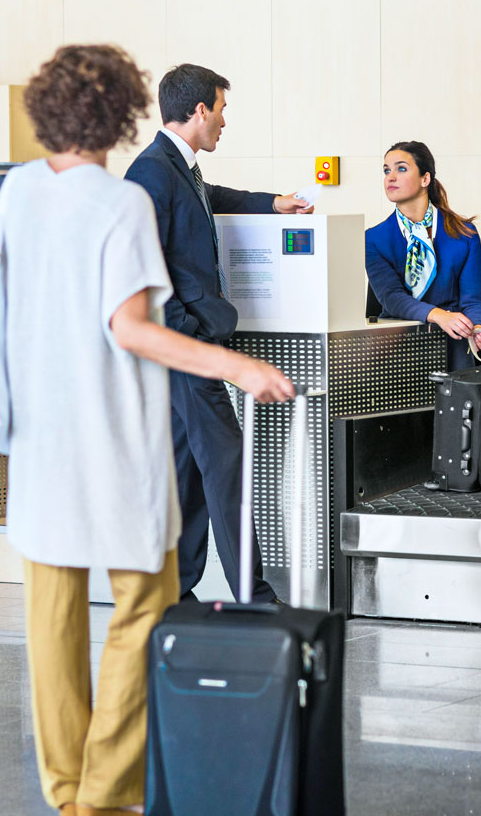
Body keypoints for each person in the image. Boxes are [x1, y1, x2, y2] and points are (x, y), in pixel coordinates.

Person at [2, 45, 294, 815]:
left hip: (37, 435)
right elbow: (133, 325)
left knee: (53, 619)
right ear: (126, 109)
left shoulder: (18, 193)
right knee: (146, 599)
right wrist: (233, 367)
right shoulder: (123, 199)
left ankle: (69, 792)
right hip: (107, 427)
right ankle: (102, 793)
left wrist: (267, 202)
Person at [125, 64, 311, 603]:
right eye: (223, 109)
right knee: (228, 465)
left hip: (189, 347)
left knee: (189, 470)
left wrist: (272, 203)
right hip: (185, 349)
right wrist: (190, 330)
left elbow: (212, 197)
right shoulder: (151, 173)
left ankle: (177, 593)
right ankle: (255, 598)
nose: (225, 121)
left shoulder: (177, 168)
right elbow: (145, 271)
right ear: (200, 109)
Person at [364, 140, 481, 371]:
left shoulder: (465, 234)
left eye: (401, 168)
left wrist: (478, 328)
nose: (390, 177)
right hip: (398, 345)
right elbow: (392, 298)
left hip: (453, 343)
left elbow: (472, 300)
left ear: (425, 179)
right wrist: (440, 315)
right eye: (386, 170)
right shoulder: (374, 238)